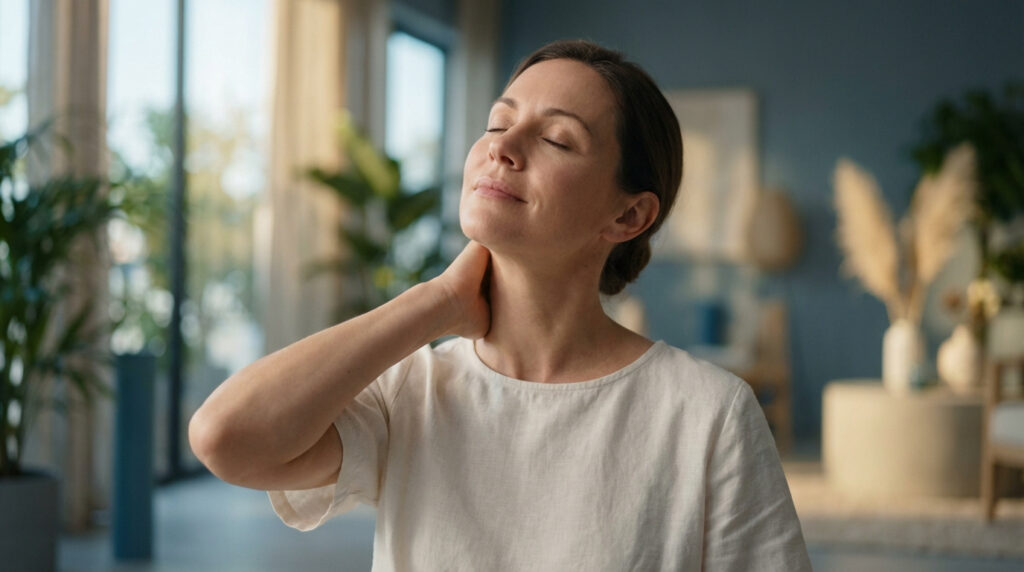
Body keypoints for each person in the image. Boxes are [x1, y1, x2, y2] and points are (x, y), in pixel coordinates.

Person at [189, 39, 811, 571]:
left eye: (558, 140)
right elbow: (226, 438)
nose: (502, 147)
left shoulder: (707, 413)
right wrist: (434, 303)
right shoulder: (413, 391)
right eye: (496, 122)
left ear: (628, 214)